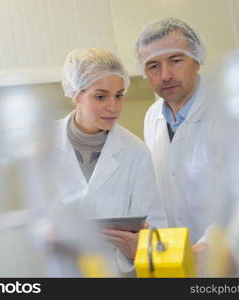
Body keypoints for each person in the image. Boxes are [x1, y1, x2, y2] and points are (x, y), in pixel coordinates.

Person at [48, 48, 167, 275]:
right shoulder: (41, 145)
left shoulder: (136, 153)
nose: (113, 106)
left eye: (119, 95)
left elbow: (157, 229)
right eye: (101, 96)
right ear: (76, 93)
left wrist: (137, 249)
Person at [135, 17, 220, 273]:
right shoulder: (152, 117)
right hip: (177, 264)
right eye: (153, 66)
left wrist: (206, 249)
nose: (166, 75)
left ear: (196, 60)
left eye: (175, 60)